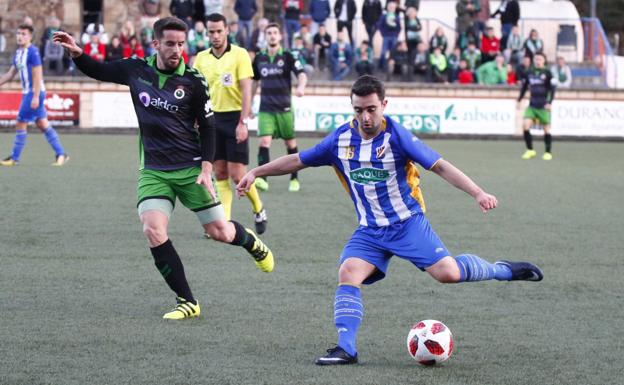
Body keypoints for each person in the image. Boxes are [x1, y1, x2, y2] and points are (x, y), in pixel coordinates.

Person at [236, 75, 544, 365]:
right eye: (359, 110)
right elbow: (298, 160)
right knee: (348, 272)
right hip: (370, 230)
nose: (365, 117)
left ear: (385, 104)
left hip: (407, 223)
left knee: (448, 274)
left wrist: (477, 192)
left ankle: (501, 270)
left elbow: (439, 166)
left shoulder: (398, 137)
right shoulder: (340, 140)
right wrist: (255, 171)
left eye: (371, 109)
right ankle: (347, 348)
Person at [52, 17, 274, 320]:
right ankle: (188, 301)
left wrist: (207, 168)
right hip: (154, 170)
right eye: (170, 43)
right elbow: (100, 70)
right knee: (152, 229)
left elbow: (208, 128)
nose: (177, 49)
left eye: (181, 44)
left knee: (220, 231)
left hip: (190, 170)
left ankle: (252, 243)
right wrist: (77, 52)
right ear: (156, 43)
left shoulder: (194, 80)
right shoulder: (136, 69)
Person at [193, 13, 268, 233]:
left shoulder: (240, 54)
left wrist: (243, 121)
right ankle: (224, 220)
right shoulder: (201, 58)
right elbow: (197, 91)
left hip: (235, 117)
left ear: (227, 30)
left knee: (238, 174)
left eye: (219, 31)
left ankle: (259, 208)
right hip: (211, 119)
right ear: (206, 33)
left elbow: (246, 89)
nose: (215, 36)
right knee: (220, 173)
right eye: (211, 32)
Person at [0, 25, 69, 167]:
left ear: (30, 36)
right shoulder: (18, 53)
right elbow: (10, 74)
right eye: (18, 33)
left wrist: (36, 96)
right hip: (30, 93)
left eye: (23, 34)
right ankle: (61, 154)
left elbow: (38, 75)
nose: (20, 36)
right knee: (43, 124)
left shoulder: (33, 52)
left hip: (33, 92)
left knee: (20, 122)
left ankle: (14, 158)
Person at [250, 23, 307, 193]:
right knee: (264, 141)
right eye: (269, 33)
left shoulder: (289, 56)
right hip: (266, 108)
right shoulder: (259, 58)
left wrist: (301, 87)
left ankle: (295, 178)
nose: (272, 36)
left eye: (275, 33)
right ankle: (262, 179)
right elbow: (254, 82)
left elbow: (302, 75)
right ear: (265, 36)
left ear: (280, 36)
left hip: (284, 109)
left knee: (290, 143)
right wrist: (250, 104)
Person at [518, 52, 555, 160]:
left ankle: (548, 152)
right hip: (532, 105)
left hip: (543, 105)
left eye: (540, 59)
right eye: (536, 59)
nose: (538, 61)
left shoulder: (547, 72)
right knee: (525, 126)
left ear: (544, 61)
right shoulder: (529, 72)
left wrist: (549, 102)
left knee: (546, 129)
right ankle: (530, 150)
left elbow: (552, 90)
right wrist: (519, 99)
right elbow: (524, 87)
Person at [377, 0, 401, 71]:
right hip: (386, 36)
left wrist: (396, 34)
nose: (391, 9)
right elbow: (380, 25)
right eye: (390, 7)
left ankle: (392, 68)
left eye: (393, 7)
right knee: (384, 51)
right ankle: (382, 66)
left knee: (393, 52)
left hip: (394, 36)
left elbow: (399, 27)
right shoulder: (384, 16)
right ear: (387, 8)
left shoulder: (396, 17)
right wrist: (383, 33)